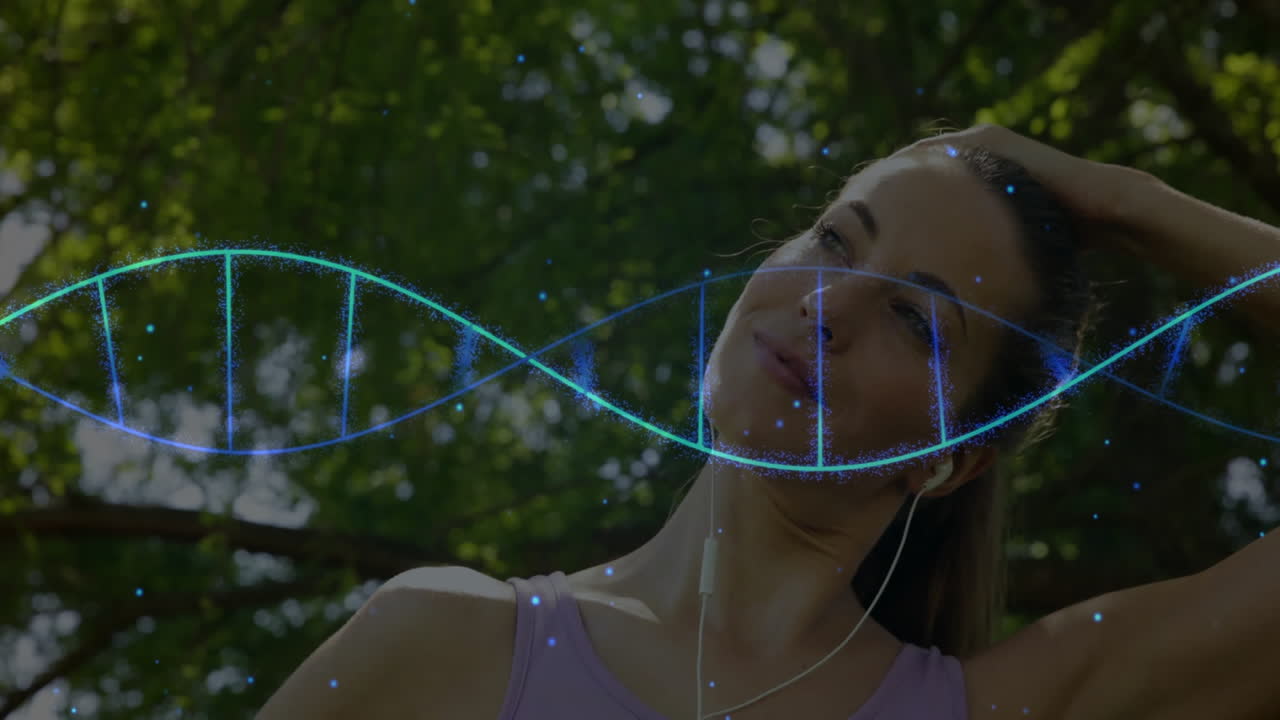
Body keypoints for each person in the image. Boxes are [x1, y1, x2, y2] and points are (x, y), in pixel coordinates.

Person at [258, 124, 1280, 720]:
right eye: (835, 240)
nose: (826, 309)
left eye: (916, 323)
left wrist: (1123, 201)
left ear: (949, 460)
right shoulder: (436, 644)